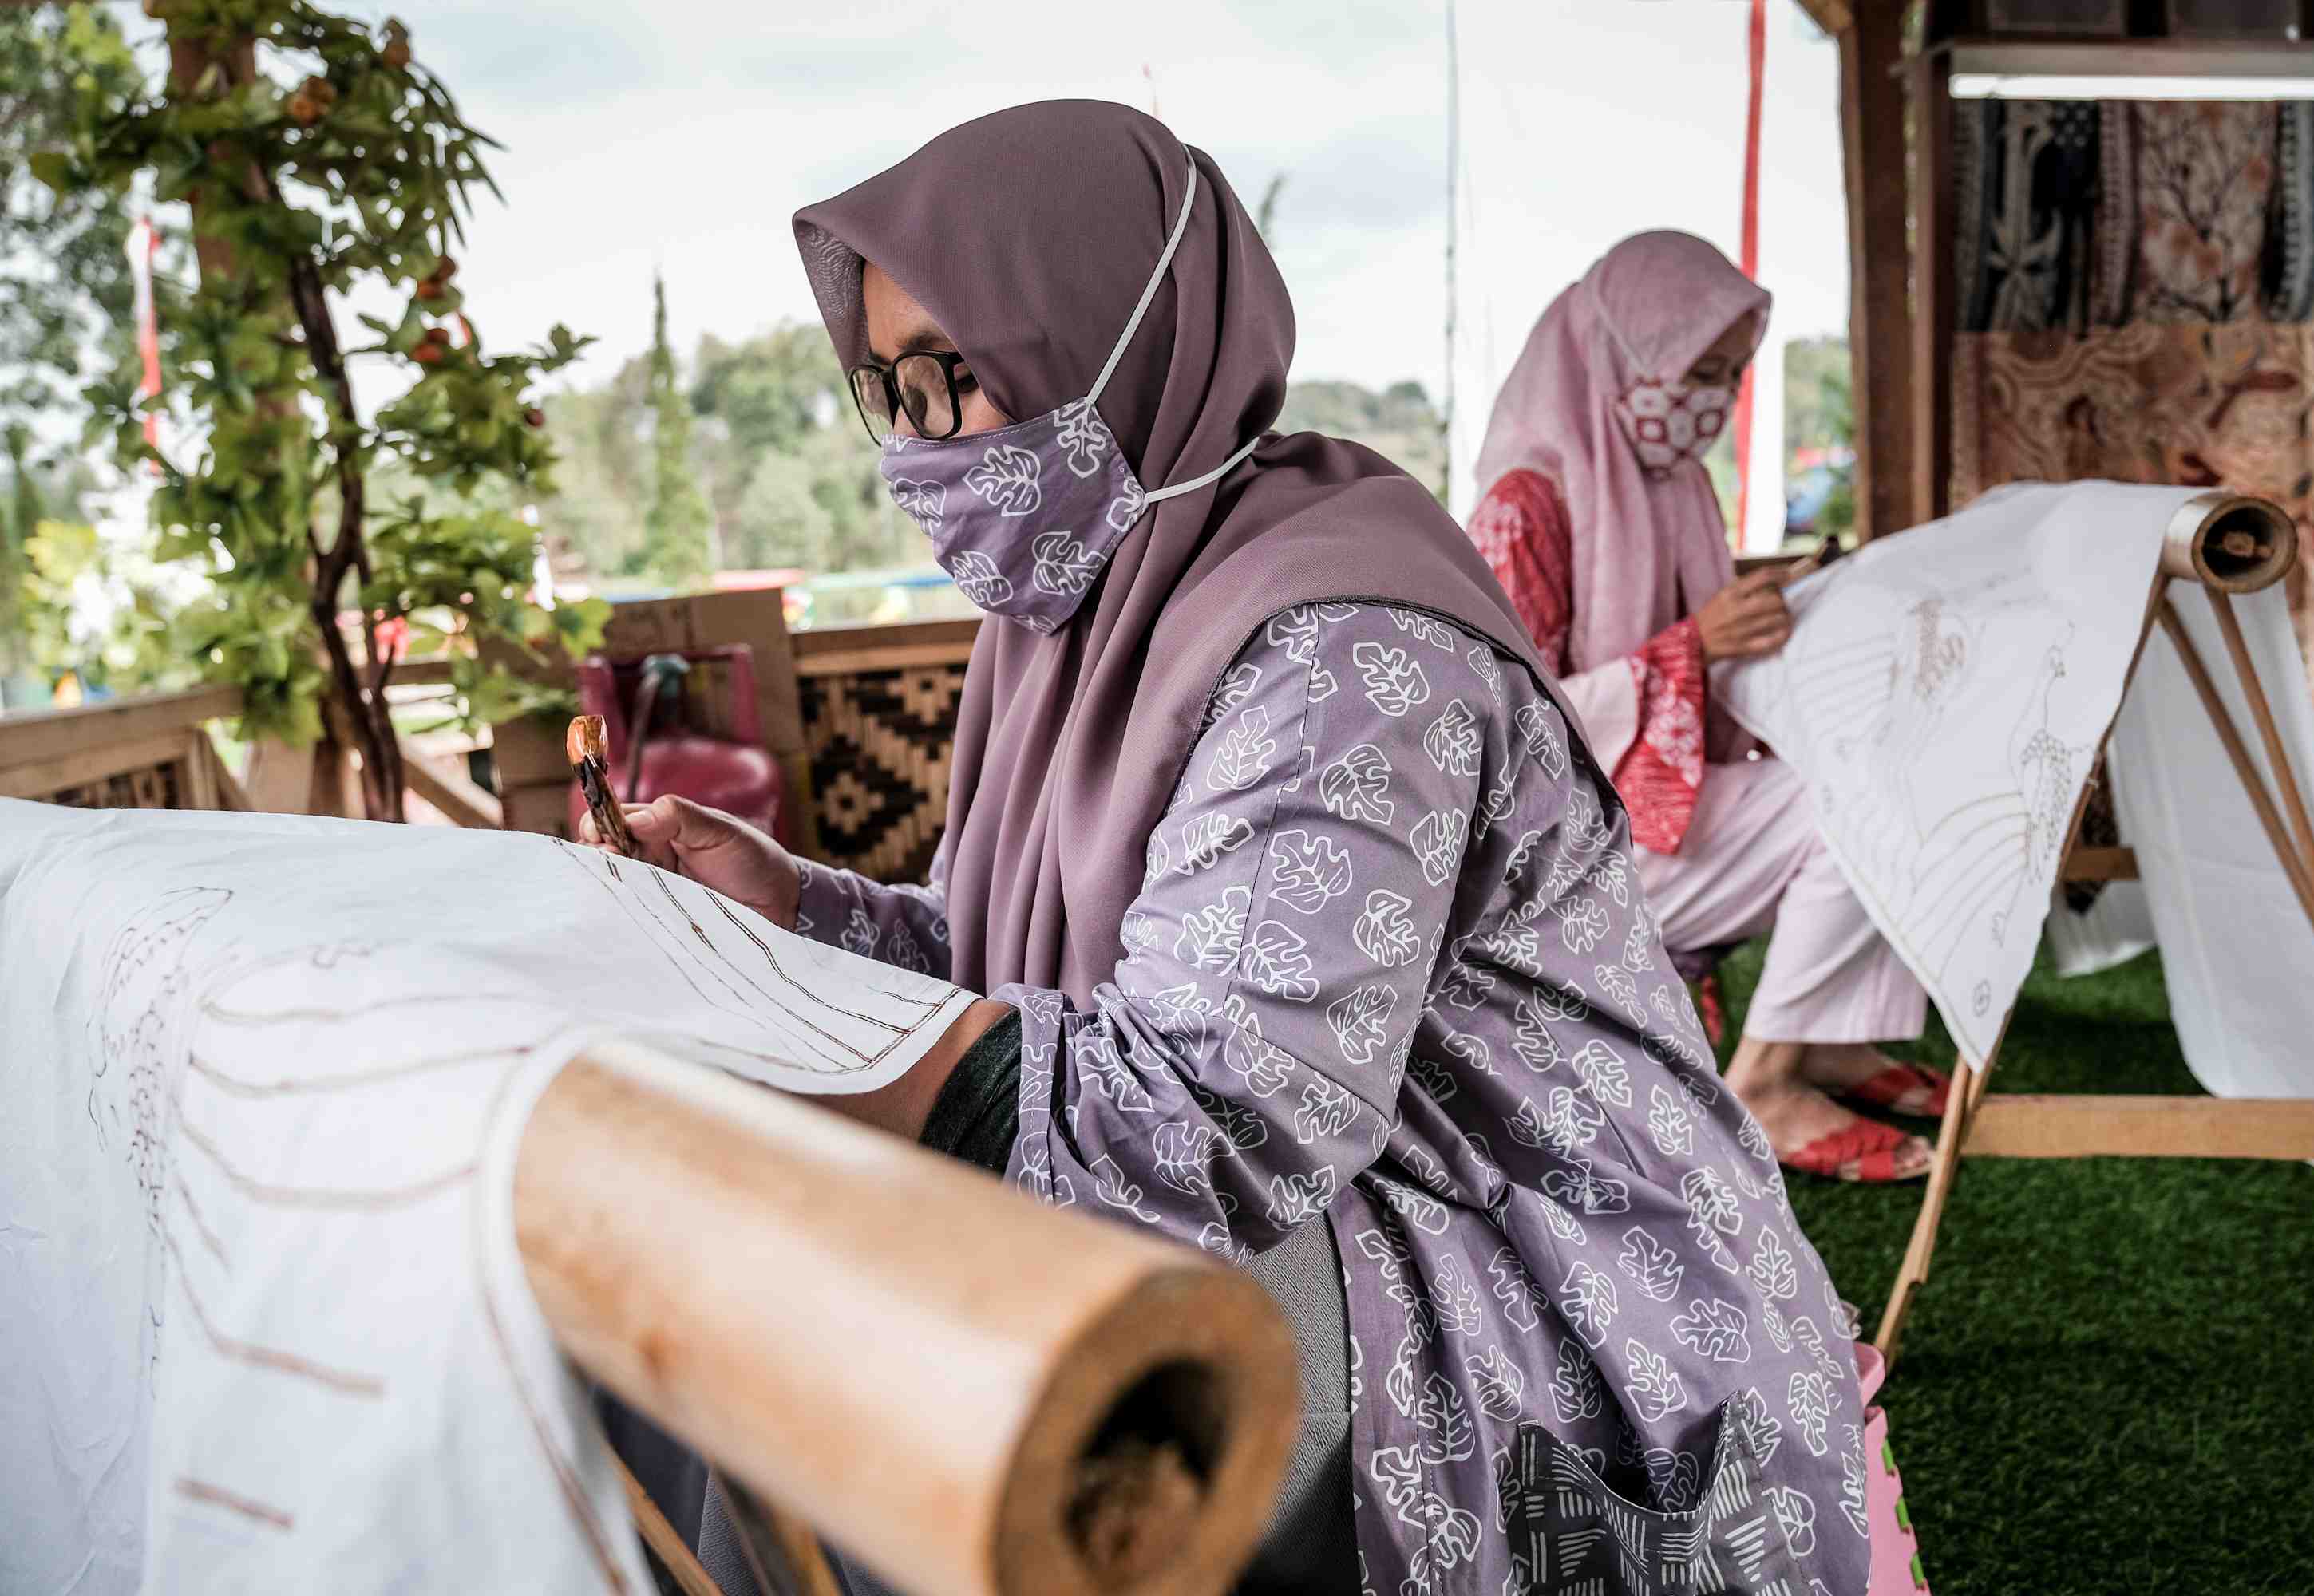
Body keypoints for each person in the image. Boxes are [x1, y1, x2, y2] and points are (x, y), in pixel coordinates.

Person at [591, 106, 1871, 1596]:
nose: (929, 447)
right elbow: (1019, 968)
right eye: (892, 392)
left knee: (885, 1377)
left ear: (1115, 339)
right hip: (1318, 1197)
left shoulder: (1339, 651)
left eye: (964, 378)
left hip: (1521, 1264)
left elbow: (1213, 1113)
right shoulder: (1077, 612)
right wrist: (792, 909)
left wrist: (828, 1059)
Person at [1465, 231, 1943, 1187]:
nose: (1713, 403)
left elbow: (1703, 649)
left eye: (1730, 375)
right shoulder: (1527, 504)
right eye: (1695, 371)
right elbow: (1503, 727)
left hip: (1644, 805)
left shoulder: (1667, 484)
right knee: (1858, 809)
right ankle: (1767, 1076)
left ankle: (1829, 1040)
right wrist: (1696, 646)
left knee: (1896, 761)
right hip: (1559, 845)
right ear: (1621, 355)